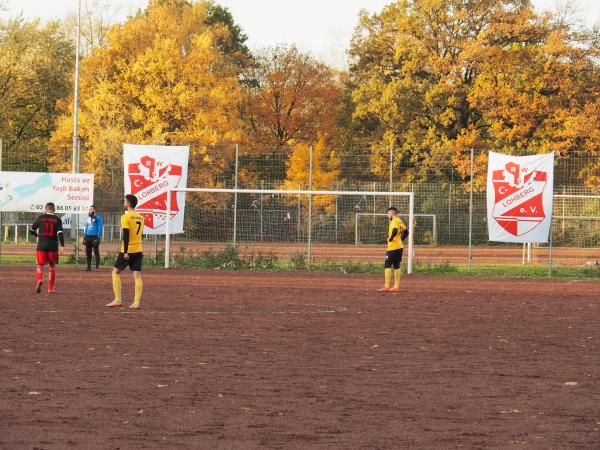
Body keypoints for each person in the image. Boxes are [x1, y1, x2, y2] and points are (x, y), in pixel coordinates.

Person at [106, 194, 144, 309]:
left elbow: (126, 235)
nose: (124, 202)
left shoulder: (125, 217)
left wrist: (126, 251)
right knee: (137, 276)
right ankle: (136, 302)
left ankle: (118, 299)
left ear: (128, 203)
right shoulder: (140, 217)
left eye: (125, 201)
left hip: (127, 250)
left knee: (115, 272)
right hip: (138, 250)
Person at [29, 202, 65, 294]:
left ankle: (39, 280)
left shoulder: (41, 218)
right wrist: (62, 245)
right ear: (54, 210)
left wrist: (37, 235)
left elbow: (31, 229)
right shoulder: (57, 219)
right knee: (52, 266)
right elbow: (59, 233)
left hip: (42, 245)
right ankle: (50, 288)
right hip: (53, 246)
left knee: (39, 265)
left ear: (46, 209)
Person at [378, 207, 407, 293]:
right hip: (399, 247)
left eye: (388, 214)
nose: (387, 215)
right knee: (396, 265)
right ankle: (396, 286)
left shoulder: (394, 221)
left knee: (387, 264)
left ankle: (387, 286)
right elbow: (406, 232)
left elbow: (394, 230)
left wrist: (390, 238)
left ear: (392, 213)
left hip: (392, 247)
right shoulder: (399, 221)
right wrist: (401, 239)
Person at [82, 205, 103, 271]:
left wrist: (98, 237)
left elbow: (100, 227)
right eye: (89, 209)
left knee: (96, 252)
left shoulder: (98, 218)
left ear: (94, 210)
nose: (90, 210)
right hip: (88, 237)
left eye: (91, 209)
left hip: (94, 237)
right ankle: (88, 267)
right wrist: (84, 237)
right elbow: (86, 228)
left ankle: (97, 267)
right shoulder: (88, 218)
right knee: (88, 252)